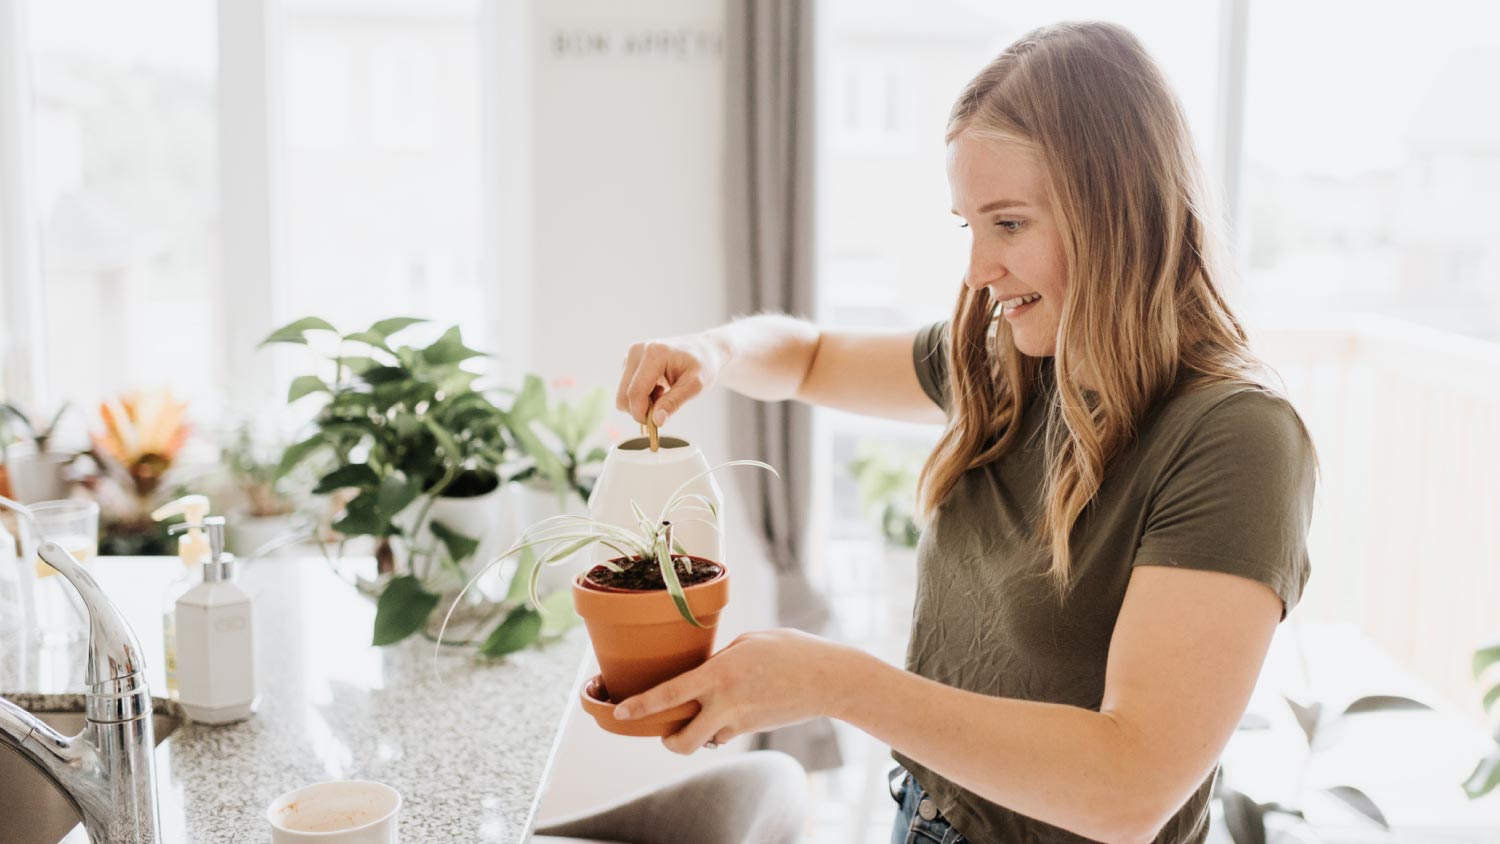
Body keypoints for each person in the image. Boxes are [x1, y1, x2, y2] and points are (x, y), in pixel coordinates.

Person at [609, 21, 1315, 844]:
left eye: (1009, 224)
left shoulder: (1236, 438)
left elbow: (1131, 788)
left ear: (1120, 210)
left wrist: (837, 682)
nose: (980, 270)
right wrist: (715, 351)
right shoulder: (1013, 363)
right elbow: (808, 360)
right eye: (968, 226)